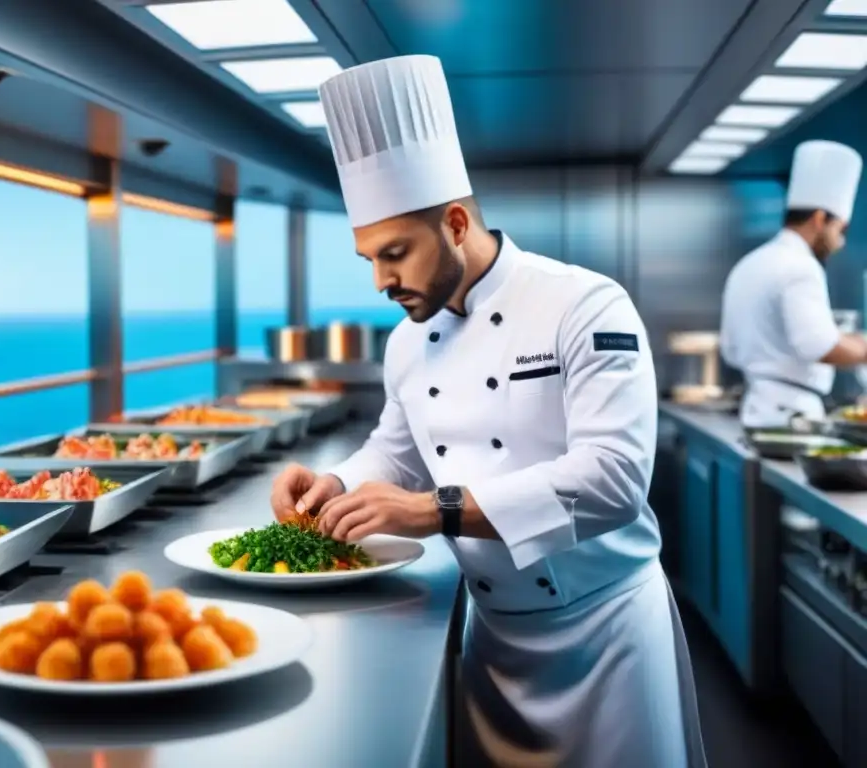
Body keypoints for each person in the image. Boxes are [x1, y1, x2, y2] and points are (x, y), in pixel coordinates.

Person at [269, 54, 706, 768]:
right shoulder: (409, 341)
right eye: (368, 259)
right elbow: (396, 448)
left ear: (456, 221)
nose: (382, 281)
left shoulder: (586, 305)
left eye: (395, 254)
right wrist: (338, 485)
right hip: (495, 638)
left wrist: (433, 511)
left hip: (606, 637)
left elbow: (615, 482)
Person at [721, 140, 865, 428]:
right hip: (793, 417)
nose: (840, 242)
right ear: (820, 218)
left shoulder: (750, 263)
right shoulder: (802, 267)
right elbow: (820, 346)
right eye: (840, 229)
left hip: (756, 410)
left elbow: (730, 350)